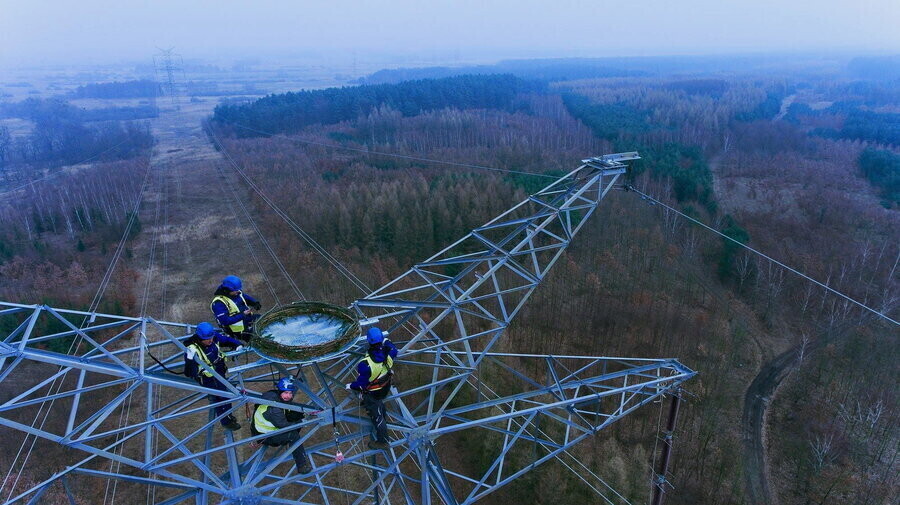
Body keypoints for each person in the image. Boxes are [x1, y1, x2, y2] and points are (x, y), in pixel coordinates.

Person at [183, 322, 243, 431]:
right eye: (207, 339)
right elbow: (189, 373)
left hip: (219, 371)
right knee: (222, 398)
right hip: (209, 379)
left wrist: (237, 344)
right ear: (200, 338)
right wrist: (190, 359)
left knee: (226, 396)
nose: (210, 341)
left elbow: (225, 340)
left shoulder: (213, 337)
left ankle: (228, 416)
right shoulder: (193, 349)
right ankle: (226, 421)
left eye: (211, 338)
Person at [346, 327, 398, 450]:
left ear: (369, 341)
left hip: (373, 393)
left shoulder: (365, 365)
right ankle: (381, 413)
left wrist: (351, 385)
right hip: (385, 387)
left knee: (377, 416)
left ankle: (383, 441)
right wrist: (386, 341)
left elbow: (360, 385)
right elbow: (393, 349)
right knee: (379, 406)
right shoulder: (389, 354)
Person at [252, 377, 312, 474]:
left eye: (290, 393)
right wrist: (301, 422)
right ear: (280, 392)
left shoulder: (274, 398)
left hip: (267, 428)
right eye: (285, 393)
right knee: (293, 435)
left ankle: (288, 440)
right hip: (265, 436)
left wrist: (300, 415)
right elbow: (284, 425)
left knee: (294, 414)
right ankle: (302, 466)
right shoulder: (274, 409)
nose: (288, 396)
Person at [210, 275, 262, 343]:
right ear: (228, 290)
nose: (238, 291)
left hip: (247, 319)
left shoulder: (235, 292)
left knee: (263, 320)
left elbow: (243, 296)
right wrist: (243, 314)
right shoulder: (218, 303)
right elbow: (225, 321)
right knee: (258, 338)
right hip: (238, 330)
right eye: (236, 290)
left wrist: (254, 302)